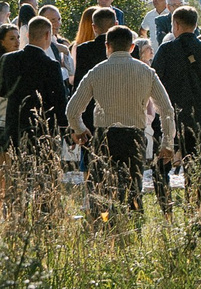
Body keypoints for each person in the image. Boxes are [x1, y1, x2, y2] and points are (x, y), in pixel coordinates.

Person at [65, 24, 176, 216]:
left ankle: (102, 225)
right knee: (133, 187)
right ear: (132, 47)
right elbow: (166, 109)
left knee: (101, 188)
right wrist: (167, 142)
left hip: (104, 135)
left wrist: (79, 128)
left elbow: (72, 109)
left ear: (107, 46)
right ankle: (133, 225)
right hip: (134, 135)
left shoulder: (96, 71)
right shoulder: (147, 72)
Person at [151, 6, 201, 212]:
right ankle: (195, 210)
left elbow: (154, 81)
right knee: (195, 169)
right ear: (195, 24)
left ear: (176, 24)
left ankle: (167, 210)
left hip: (169, 116)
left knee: (161, 167)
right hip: (197, 117)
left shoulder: (166, 50)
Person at [0, 14, 69, 151]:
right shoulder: (51, 65)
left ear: (28, 35)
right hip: (42, 128)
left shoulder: (7, 59)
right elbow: (60, 100)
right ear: (48, 35)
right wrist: (65, 131)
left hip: (14, 126)